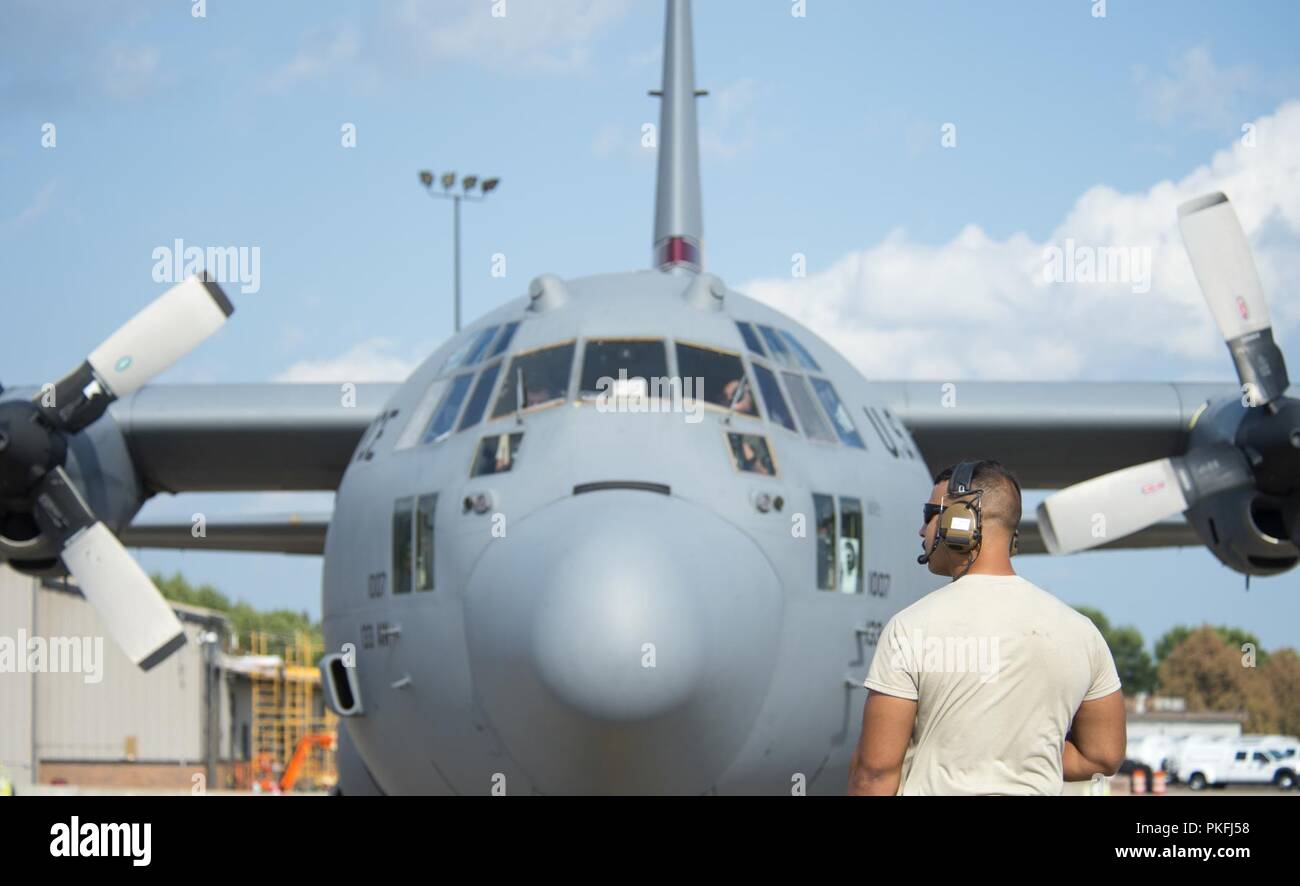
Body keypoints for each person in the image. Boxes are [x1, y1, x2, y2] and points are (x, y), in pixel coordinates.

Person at [847, 459, 1125, 795]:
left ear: (959, 521)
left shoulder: (910, 628)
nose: (922, 531)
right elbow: (1104, 756)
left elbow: (875, 772)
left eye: (929, 515)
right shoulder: (1083, 633)